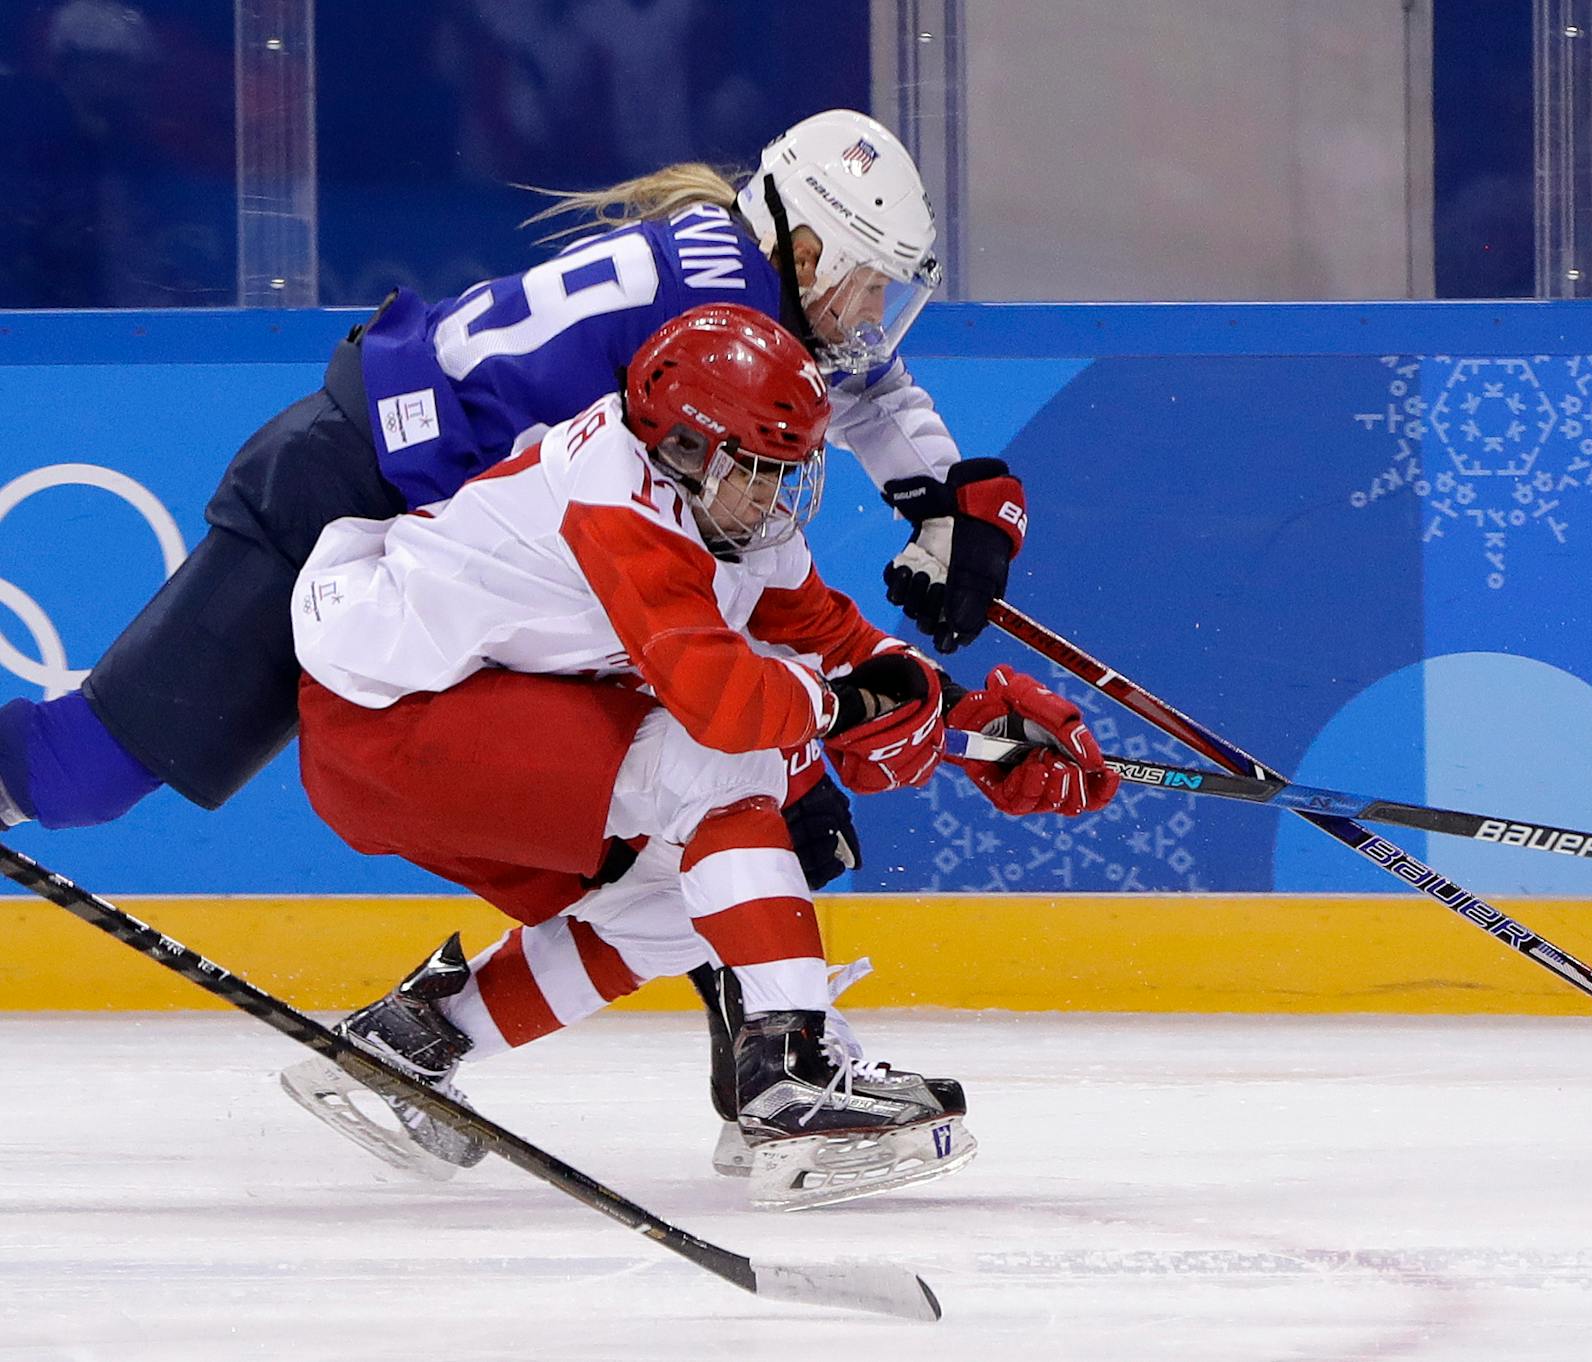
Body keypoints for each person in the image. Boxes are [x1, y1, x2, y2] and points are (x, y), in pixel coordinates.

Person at [276, 303, 1116, 1209]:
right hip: (391, 727)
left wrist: (976, 726)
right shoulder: (616, 498)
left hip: (449, 723)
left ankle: (418, 1040)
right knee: (727, 770)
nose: (773, 495)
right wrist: (852, 713)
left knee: (680, 907)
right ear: (685, 445)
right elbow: (723, 705)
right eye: (757, 469)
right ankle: (791, 1083)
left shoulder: (724, 507)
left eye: (787, 470)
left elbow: (830, 641)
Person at [0, 107, 1019, 835]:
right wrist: (933, 552)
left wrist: (944, 497)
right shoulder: (730, 322)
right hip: (344, 487)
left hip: (407, 508)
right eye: (868, 284)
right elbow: (756, 555)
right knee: (79, 777)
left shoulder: (741, 280)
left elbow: (861, 386)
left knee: (654, 790)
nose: (874, 315)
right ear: (804, 251)